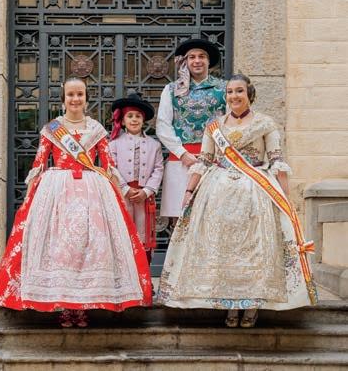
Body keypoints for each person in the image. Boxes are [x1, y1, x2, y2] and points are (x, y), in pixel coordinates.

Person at [158, 74, 317, 327]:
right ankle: (230, 305)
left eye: (239, 91)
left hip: (256, 191)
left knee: (254, 251)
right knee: (223, 250)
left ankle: (252, 305)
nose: (234, 96)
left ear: (249, 94)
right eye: (230, 92)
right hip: (217, 192)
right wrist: (189, 191)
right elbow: (204, 160)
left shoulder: (265, 124)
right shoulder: (214, 126)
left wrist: (286, 199)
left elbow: (277, 162)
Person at [0, 77, 152, 327]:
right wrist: (29, 197)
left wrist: (118, 195)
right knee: (61, 249)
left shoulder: (96, 130)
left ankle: (83, 305)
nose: (75, 99)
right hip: (57, 192)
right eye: (71, 95)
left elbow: (108, 164)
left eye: (80, 94)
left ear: (86, 99)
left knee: (89, 248)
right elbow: (39, 163)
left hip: (92, 193)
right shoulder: (52, 129)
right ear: (63, 98)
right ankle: (65, 305)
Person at [156, 38, 226, 221]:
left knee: (212, 217)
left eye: (202, 56)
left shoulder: (224, 88)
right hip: (181, 160)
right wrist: (182, 154)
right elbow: (163, 125)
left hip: (214, 161)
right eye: (192, 57)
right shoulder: (171, 89)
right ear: (185, 62)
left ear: (209, 61)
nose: (197, 61)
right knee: (181, 219)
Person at [109, 92, 164, 265]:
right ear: (123, 120)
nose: (134, 120)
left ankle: (144, 273)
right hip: (123, 194)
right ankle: (125, 274)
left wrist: (147, 191)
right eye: (130, 116)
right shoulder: (114, 144)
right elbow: (111, 167)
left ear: (144, 119)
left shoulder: (154, 145)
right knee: (124, 232)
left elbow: (158, 169)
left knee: (143, 234)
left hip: (144, 196)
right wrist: (125, 188)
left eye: (138, 116)